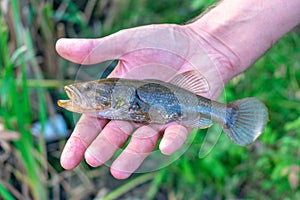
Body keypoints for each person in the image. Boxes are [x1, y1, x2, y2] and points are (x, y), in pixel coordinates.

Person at [56, 0, 300, 179]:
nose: (84, 92)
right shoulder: (117, 102)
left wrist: (211, 41)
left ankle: (229, 115)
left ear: (113, 95)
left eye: (89, 89)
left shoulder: (120, 100)